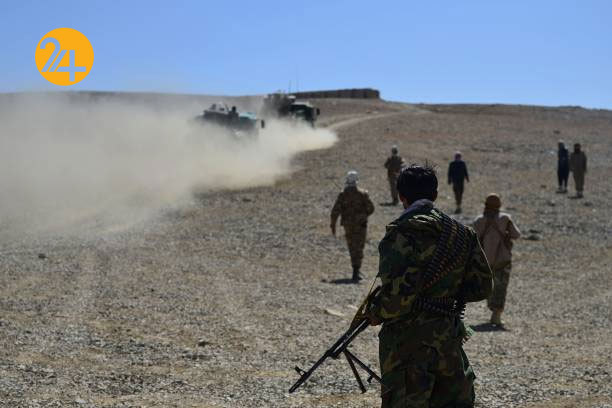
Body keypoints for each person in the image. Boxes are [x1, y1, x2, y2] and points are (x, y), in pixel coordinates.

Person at [365, 164, 493, 408]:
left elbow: (396, 300)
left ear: (401, 196)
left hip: (407, 346)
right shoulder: (461, 233)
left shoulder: (401, 233)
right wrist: (445, 295)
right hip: (447, 341)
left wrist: (375, 312)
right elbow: (482, 287)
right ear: (435, 195)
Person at [473, 194, 521, 326]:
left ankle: (492, 307)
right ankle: (496, 315)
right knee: (501, 287)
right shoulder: (505, 218)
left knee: (488, 286)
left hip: (484, 261)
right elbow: (516, 235)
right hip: (502, 260)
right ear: (499, 205)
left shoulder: (479, 220)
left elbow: (473, 240)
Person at [331, 171, 375, 282]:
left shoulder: (342, 195)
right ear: (356, 181)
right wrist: (363, 215)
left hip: (348, 225)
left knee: (352, 246)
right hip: (361, 225)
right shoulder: (363, 194)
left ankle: (355, 270)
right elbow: (371, 208)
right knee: (359, 246)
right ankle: (356, 270)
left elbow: (335, 211)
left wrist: (333, 225)